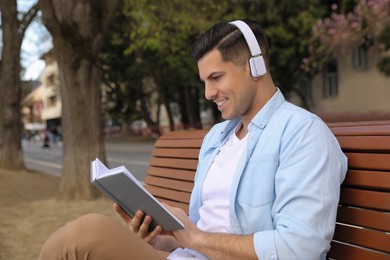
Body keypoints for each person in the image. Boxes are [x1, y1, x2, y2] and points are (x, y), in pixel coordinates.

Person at [39, 19, 347, 260]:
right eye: (204, 82)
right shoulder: (217, 138)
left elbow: (300, 248)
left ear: (256, 66)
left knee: (82, 237)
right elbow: (202, 232)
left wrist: (195, 239)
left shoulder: (302, 133)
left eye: (216, 78)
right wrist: (164, 237)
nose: (208, 94)